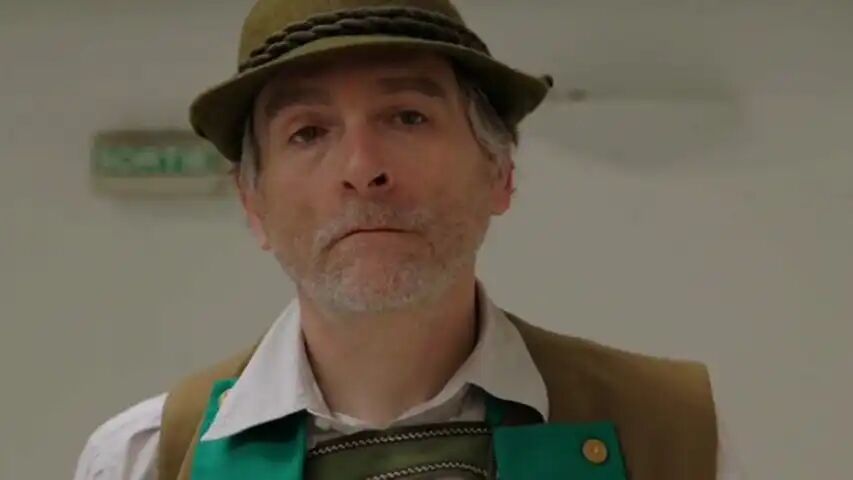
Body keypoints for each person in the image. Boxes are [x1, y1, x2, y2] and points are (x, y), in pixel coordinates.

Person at [75, 1, 744, 479]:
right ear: (254, 204)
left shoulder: (667, 434)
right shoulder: (147, 459)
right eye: (308, 132)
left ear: (499, 173)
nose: (362, 168)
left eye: (407, 116)